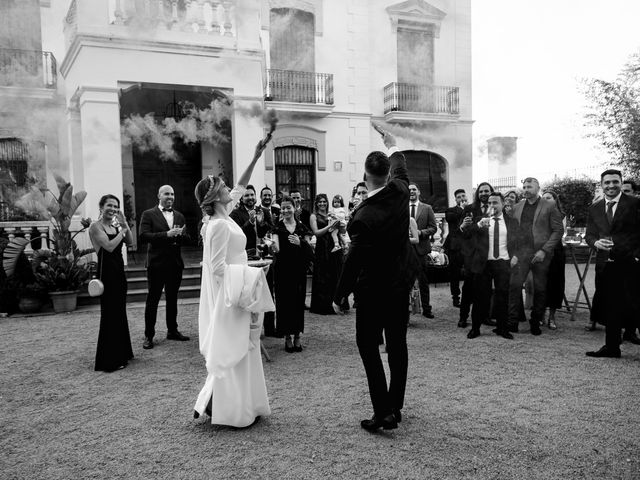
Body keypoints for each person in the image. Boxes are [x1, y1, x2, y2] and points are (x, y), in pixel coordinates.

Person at [333, 130, 412, 433]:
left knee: (368, 347)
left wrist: (340, 295)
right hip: (399, 285)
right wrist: (391, 142)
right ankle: (396, 405)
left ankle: (384, 412)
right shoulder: (402, 191)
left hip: (372, 292)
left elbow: (354, 261)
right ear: (388, 173)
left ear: (365, 175)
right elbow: (402, 165)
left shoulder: (362, 217)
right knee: (397, 345)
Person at [192, 138, 274, 427]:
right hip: (231, 296)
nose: (231, 190)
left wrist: (255, 154)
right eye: (224, 188)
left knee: (246, 347)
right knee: (234, 348)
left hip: (241, 288)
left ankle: (241, 405)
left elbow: (240, 185)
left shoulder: (224, 216)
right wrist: (249, 271)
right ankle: (228, 409)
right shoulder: (215, 226)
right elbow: (215, 269)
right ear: (215, 197)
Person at [585, 169, 640, 358]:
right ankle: (612, 347)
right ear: (601, 185)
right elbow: (589, 234)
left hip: (630, 264)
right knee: (610, 306)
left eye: (615, 182)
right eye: (606, 182)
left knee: (636, 304)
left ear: (621, 182)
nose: (611, 186)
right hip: (605, 264)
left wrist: (637, 256)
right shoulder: (595, 208)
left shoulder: (635, 203)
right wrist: (595, 243)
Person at [508, 177, 564, 335]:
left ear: (538, 188)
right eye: (524, 186)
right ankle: (512, 323)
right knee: (514, 286)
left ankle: (535, 322)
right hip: (521, 254)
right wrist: (514, 254)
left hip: (541, 255)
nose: (526, 189)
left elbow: (558, 231)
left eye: (529, 186)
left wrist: (544, 250)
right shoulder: (517, 207)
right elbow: (513, 232)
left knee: (540, 289)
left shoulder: (550, 205)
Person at [139, 185, 190, 349]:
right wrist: (166, 235)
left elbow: (188, 238)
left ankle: (172, 330)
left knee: (172, 299)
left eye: (173, 194)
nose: (170, 197)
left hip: (175, 265)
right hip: (156, 264)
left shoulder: (180, 216)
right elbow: (143, 236)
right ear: (159, 195)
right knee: (152, 300)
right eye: (167, 194)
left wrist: (181, 235)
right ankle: (149, 335)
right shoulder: (148, 214)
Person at [90, 195, 134, 372]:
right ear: (101, 206)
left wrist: (124, 225)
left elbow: (129, 242)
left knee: (120, 313)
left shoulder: (115, 225)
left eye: (116, 206)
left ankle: (123, 352)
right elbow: (108, 246)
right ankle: (109, 360)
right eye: (110, 205)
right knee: (109, 315)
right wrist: (122, 231)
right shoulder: (95, 226)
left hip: (119, 273)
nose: (113, 209)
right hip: (106, 275)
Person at [466, 192, 518, 340]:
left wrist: (516, 256)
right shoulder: (480, 220)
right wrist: (477, 225)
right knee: (480, 297)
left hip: (503, 262)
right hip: (484, 263)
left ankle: (502, 328)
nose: (492, 206)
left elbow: (519, 241)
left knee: (502, 296)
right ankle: (475, 328)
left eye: (495, 203)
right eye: (489, 203)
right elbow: (467, 236)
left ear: (503, 204)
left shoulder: (512, 221)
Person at [273, 196, 313, 352]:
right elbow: (276, 248)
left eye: (288, 207)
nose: (285, 210)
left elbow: (310, 252)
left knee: (297, 303)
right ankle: (287, 337)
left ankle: (297, 336)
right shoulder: (277, 227)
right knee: (284, 303)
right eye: (282, 208)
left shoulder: (302, 228)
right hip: (283, 271)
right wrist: (272, 247)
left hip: (298, 271)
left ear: (295, 208)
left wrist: (300, 243)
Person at [458, 182, 494, 328]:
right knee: (468, 288)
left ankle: (484, 316)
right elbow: (464, 232)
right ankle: (463, 317)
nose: (484, 194)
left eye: (486, 191)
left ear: (491, 192)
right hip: (472, 255)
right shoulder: (469, 209)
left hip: (489, 254)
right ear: (477, 194)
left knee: (486, 288)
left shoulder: (496, 208)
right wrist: (471, 226)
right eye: (481, 192)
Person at [309, 194, 343, 315]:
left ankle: (335, 303)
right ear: (316, 203)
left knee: (334, 274)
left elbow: (340, 229)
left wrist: (338, 224)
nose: (322, 204)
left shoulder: (330, 214)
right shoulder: (313, 216)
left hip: (333, 246)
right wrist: (329, 226)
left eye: (324, 201)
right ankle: (322, 305)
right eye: (320, 202)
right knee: (323, 275)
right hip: (322, 247)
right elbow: (316, 233)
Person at [408, 183, 437, 319]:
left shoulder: (427, 208)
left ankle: (426, 308)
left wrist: (420, 232)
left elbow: (433, 228)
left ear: (419, 192)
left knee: (423, 281)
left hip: (421, 250)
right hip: (405, 250)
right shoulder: (401, 208)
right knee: (404, 280)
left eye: (414, 189)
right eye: (409, 190)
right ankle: (406, 309)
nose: (412, 191)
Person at [541, 190, 566, 330]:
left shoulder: (561, 215)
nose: (545, 201)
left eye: (548, 198)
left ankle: (552, 316)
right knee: (542, 283)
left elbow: (561, 233)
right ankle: (540, 314)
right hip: (540, 251)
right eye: (543, 198)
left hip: (556, 251)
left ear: (555, 200)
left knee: (555, 284)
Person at [230, 185, 271, 255]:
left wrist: (261, 223)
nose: (250, 197)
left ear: (255, 196)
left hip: (264, 253)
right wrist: (250, 222)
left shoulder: (264, 211)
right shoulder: (235, 214)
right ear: (241, 199)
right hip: (246, 253)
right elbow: (237, 234)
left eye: (252, 195)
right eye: (246, 195)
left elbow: (270, 230)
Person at [443, 188, 467, 308]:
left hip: (468, 246)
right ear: (455, 199)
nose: (462, 198)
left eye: (463, 196)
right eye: (459, 197)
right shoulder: (450, 211)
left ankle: (468, 295)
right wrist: (463, 210)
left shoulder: (471, 209)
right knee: (455, 273)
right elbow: (452, 220)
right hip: (455, 247)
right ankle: (455, 297)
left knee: (469, 273)